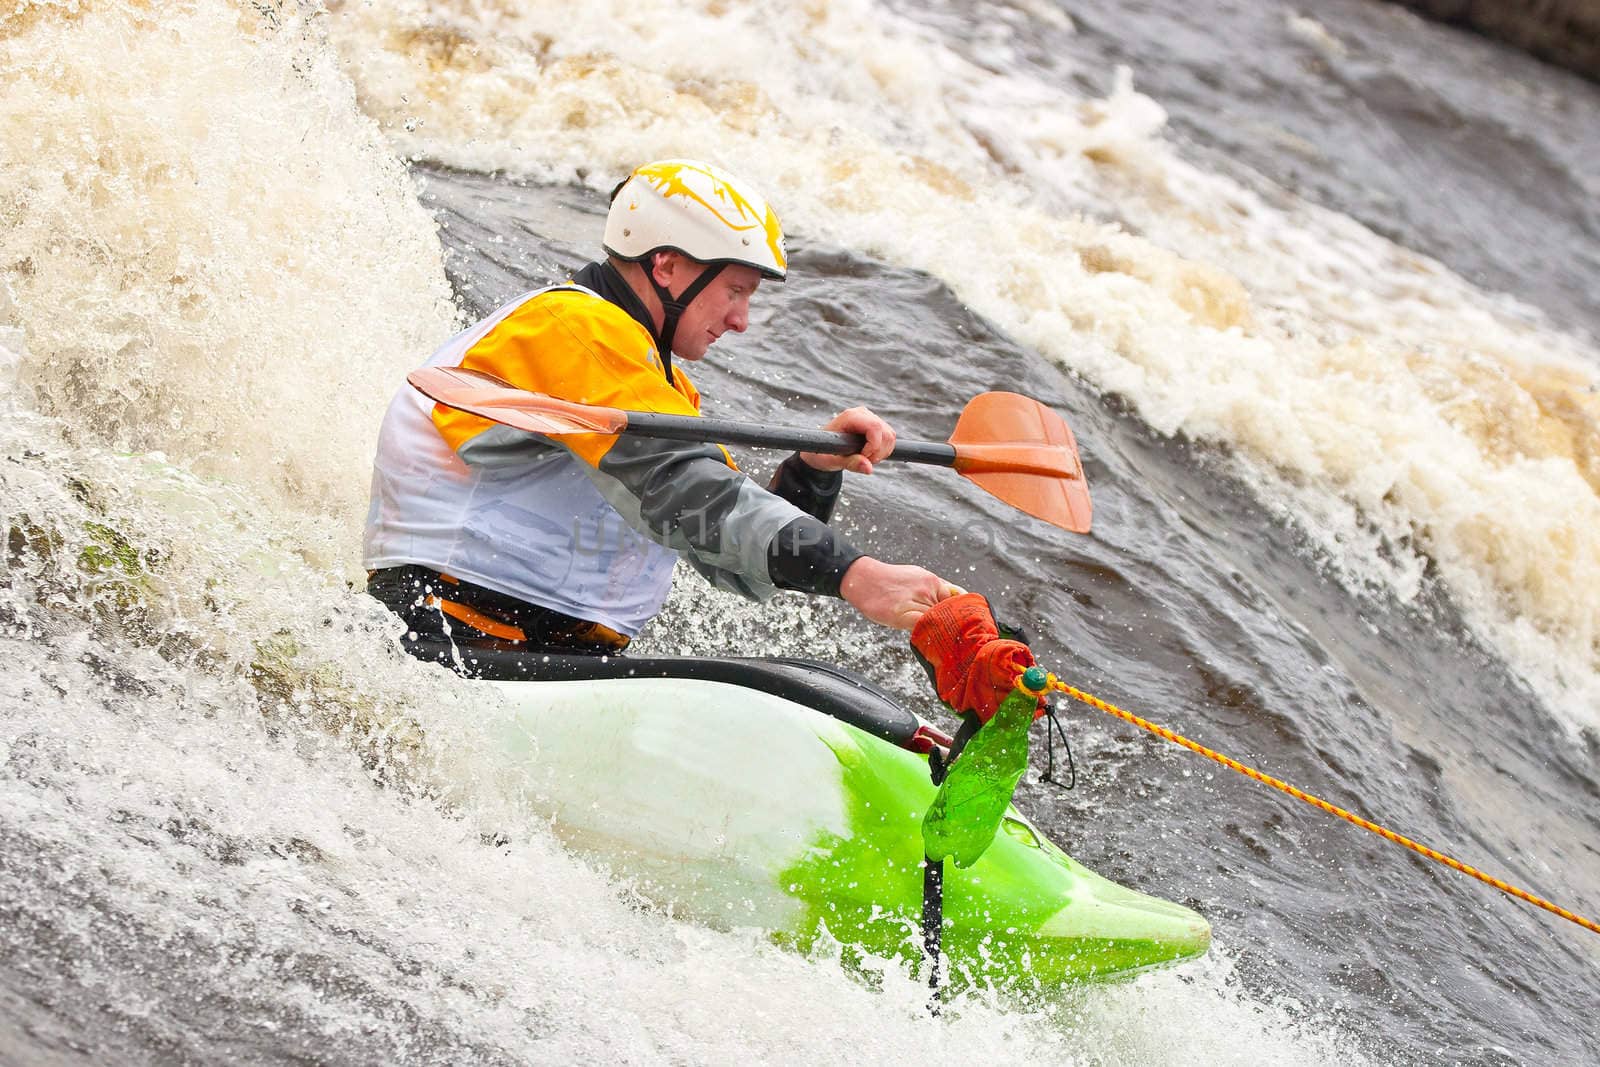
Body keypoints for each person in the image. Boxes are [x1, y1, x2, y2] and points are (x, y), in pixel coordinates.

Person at [363, 158, 964, 670]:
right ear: (668, 265)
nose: (741, 320)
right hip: (450, 633)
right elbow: (686, 491)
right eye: (736, 290)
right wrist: (857, 575)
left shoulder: (652, 377)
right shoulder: (574, 330)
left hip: (534, 650)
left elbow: (729, 552)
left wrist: (813, 469)